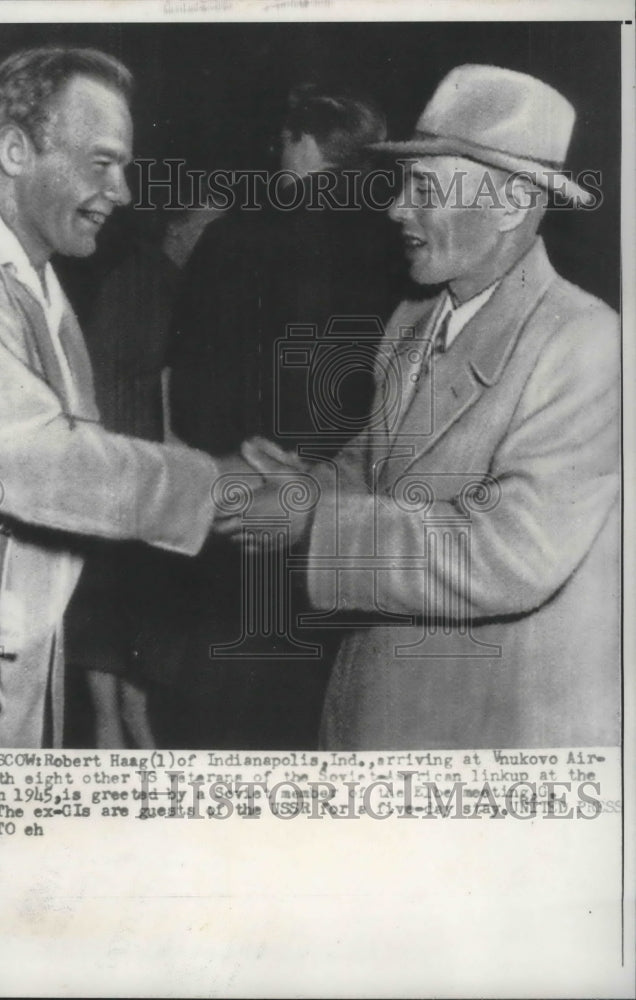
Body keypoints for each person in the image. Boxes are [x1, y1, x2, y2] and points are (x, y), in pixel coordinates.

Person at [216, 65, 620, 749]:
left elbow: (507, 556)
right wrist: (300, 488)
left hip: (488, 737)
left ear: (513, 203)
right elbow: (373, 471)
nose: (396, 208)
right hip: (380, 709)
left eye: (423, 187)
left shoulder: (587, 343)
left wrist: (316, 523)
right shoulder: (415, 315)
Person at [0, 46, 247, 748]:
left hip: (2, 670)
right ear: (15, 149)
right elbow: (36, 461)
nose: (124, 191)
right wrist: (215, 486)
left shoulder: (32, 281)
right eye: (102, 163)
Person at [156, 83, 404, 748]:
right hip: (348, 517)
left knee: (227, 714)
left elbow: (188, 393)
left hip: (242, 502)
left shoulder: (234, 234)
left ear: (301, 142)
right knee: (319, 717)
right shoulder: (403, 245)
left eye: (283, 142)